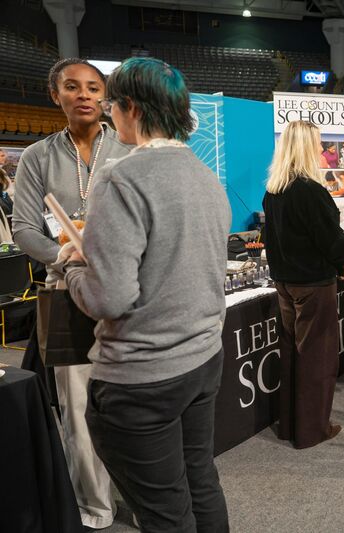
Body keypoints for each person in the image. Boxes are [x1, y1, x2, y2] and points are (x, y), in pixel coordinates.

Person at [61, 57, 230, 532]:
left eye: (111, 104)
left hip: (142, 376)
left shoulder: (121, 178)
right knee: (201, 483)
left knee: (163, 513)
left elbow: (108, 298)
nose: (108, 114)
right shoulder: (205, 175)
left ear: (130, 107)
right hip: (201, 359)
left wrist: (74, 268)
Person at [12, 57, 130, 530]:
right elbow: (23, 229)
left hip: (127, 291)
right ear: (54, 95)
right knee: (78, 405)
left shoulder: (127, 148)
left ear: (105, 96)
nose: (84, 95)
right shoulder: (38, 157)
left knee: (132, 400)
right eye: (72, 87)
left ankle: (143, 498)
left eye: (93, 87)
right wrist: (68, 256)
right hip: (65, 291)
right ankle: (96, 505)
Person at [262, 120, 344, 448]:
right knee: (318, 357)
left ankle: (290, 424)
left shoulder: (273, 191)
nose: (321, 149)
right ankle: (312, 429)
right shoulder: (311, 191)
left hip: (284, 282)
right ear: (306, 147)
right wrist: (343, 262)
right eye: (317, 143)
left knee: (292, 354)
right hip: (313, 284)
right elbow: (331, 239)